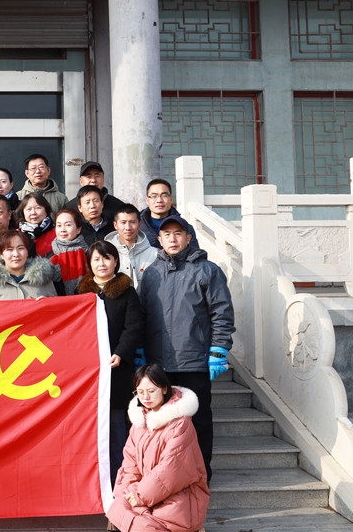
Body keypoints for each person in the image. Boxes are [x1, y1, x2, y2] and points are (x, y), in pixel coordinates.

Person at [138, 215, 235, 482]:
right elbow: (142, 315)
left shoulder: (207, 271)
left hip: (194, 362)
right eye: (167, 234)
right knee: (161, 422)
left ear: (188, 238)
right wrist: (140, 351)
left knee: (198, 421)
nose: (172, 239)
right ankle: (165, 478)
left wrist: (218, 350)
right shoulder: (151, 274)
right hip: (159, 365)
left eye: (178, 233)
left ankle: (200, 476)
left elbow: (222, 313)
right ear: (159, 240)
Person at [64, 241, 142, 486]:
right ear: (89, 263)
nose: (102, 263)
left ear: (116, 261)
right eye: (96, 259)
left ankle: (119, 478)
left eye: (107, 258)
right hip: (88, 372)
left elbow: (133, 327)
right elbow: (69, 326)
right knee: (90, 424)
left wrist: (121, 353)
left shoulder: (127, 292)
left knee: (116, 425)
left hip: (117, 369)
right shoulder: (81, 292)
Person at [107, 364, 209, 532]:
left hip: (179, 496)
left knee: (143, 525)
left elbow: (170, 470)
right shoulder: (139, 422)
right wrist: (124, 494)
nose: (145, 397)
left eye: (151, 391)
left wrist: (140, 496)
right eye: (140, 392)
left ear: (164, 389)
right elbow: (130, 465)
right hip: (147, 492)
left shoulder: (181, 424)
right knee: (117, 511)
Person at [0, 230, 58, 301]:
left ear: (27, 252)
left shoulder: (44, 279)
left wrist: (47, 305)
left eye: (20, 248)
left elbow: (57, 311)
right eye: (9, 249)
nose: (16, 254)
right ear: (1, 254)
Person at [105, 204, 158, 288]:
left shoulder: (154, 254)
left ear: (139, 225)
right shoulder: (105, 252)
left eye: (132, 222)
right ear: (115, 225)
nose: (128, 227)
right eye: (123, 222)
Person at [140, 179, 199, 250]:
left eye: (164, 195)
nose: (159, 200)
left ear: (171, 199)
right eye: (154, 196)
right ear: (147, 200)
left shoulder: (185, 227)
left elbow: (196, 254)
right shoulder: (136, 227)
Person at [65, 161, 125, 226]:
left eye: (97, 176)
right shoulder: (69, 209)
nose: (93, 180)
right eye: (89, 176)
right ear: (81, 181)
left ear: (103, 179)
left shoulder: (118, 206)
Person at [47, 207, 88, 282]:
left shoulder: (89, 254)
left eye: (68, 225)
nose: (62, 230)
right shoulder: (49, 257)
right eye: (59, 225)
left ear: (78, 229)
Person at [16, 192, 56, 256]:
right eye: (29, 209)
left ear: (46, 210)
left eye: (38, 208)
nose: (33, 213)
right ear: (23, 212)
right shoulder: (16, 235)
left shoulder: (57, 233)